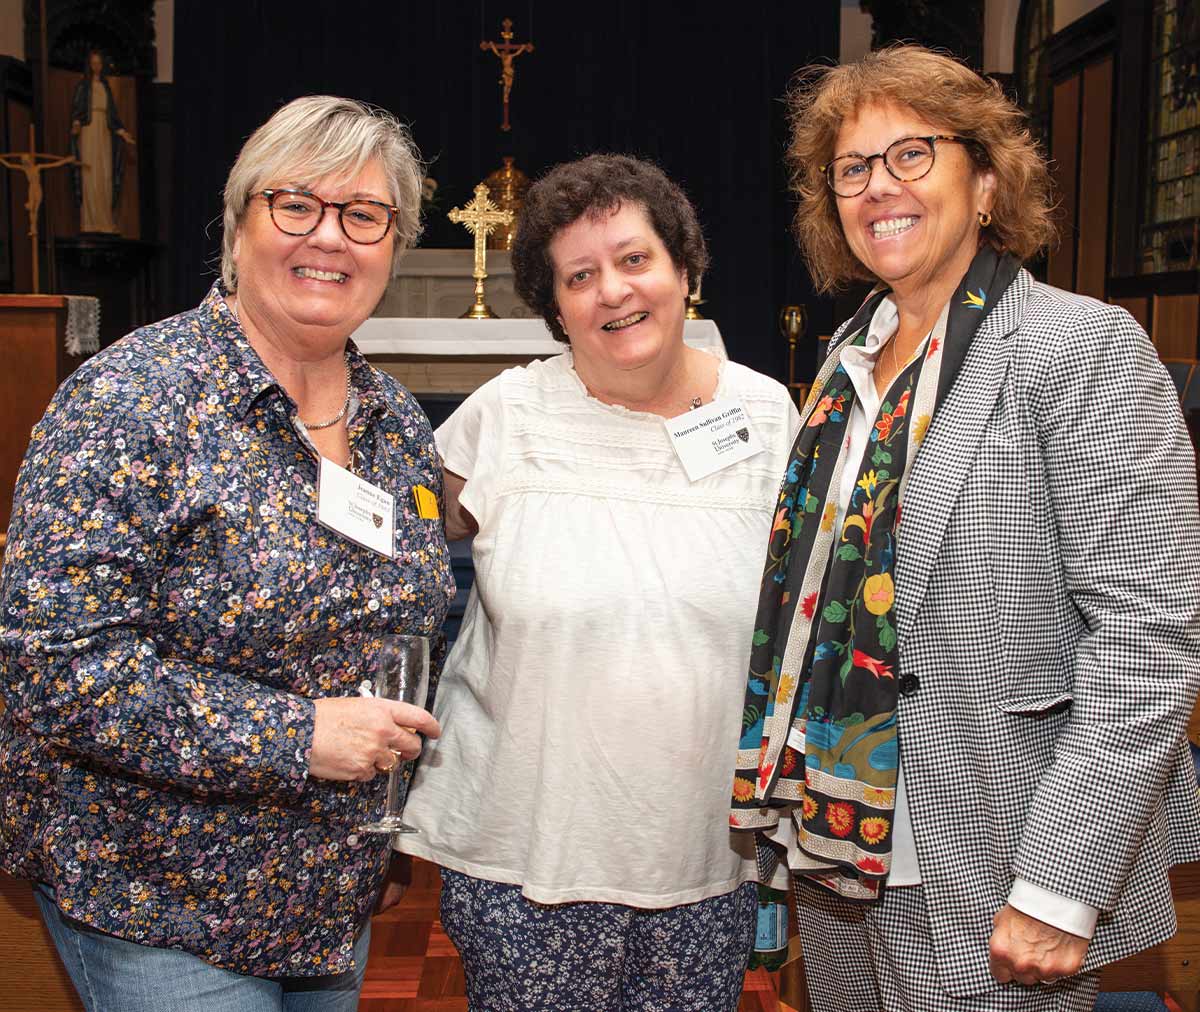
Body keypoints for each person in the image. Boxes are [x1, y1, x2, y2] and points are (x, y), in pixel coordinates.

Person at [731, 44, 1200, 1012]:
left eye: (912, 155)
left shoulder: (1080, 347)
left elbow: (1147, 641)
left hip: (993, 837)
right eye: (852, 168)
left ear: (986, 180)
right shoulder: (846, 357)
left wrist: (1061, 883)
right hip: (839, 829)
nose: (878, 188)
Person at [0, 95, 452, 1012]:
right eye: (296, 205)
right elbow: (55, 664)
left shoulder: (396, 423)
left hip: (330, 889)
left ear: (393, 244)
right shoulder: (131, 399)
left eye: (364, 215)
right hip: (158, 891)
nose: (329, 237)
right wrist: (298, 736)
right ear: (239, 221)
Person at [396, 153, 800, 1011]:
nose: (613, 291)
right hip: (526, 857)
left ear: (684, 271)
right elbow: (397, 559)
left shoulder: (766, 416)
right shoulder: (506, 415)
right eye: (580, 276)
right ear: (554, 305)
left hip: (704, 856)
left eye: (634, 259)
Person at [70, 49, 135, 233]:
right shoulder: (83, 86)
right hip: (89, 131)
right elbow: (77, 109)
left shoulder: (105, 87)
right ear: (89, 65)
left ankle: (105, 220)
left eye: (99, 63)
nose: (96, 66)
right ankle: (89, 221)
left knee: (105, 174)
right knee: (90, 174)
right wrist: (76, 123)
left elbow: (112, 116)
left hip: (104, 133)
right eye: (93, 63)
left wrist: (122, 133)